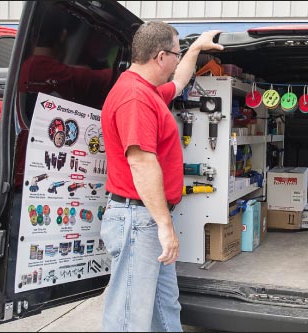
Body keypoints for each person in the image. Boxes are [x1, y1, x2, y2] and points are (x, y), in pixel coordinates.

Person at [100, 22, 223, 332]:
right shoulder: (135, 98)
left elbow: (180, 81)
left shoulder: (148, 91)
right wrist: (165, 226)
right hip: (138, 219)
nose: (177, 59)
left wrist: (195, 49)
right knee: (129, 317)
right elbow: (141, 163)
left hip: (147, 218)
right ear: (160, 56)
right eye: (177, 52)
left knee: (164, 306)